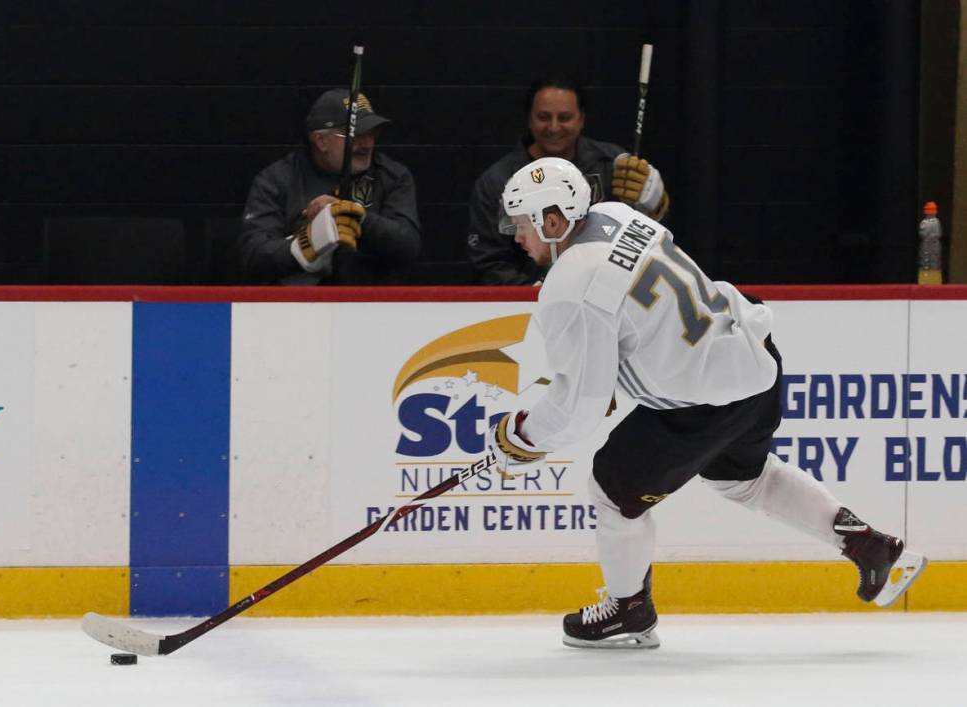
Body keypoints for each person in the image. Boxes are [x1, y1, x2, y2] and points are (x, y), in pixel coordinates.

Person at [488, 157, 927, 649]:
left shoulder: (567, 285)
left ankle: (629, 609)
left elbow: (579, 408)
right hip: (754, 357)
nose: (515, 236)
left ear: (553, 222)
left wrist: (520, 436)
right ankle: (866, 543)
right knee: (742, 478)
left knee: (612, 491)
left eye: (521, 223)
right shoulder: (620, 214)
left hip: (701, 400)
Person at [468, 79, 669, 285]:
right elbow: (490, 262)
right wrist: (533, 295)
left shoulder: (613, 165)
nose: (554, 127)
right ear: (529, 118)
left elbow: (643, 240)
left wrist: (653, 203)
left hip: (605, 292)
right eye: (544, 117)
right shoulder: (497, 182)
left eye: (564, 117)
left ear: (581, 119)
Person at [239, 88, 422, 285]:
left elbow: (408, 246)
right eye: (356, 135)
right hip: (298, 307)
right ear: (321, 141)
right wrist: (307, 244)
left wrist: (357, 217)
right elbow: (253, 256)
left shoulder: (392, 176)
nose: (367, 143)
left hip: (371, 304)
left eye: (372, 133)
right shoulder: (276, 180)